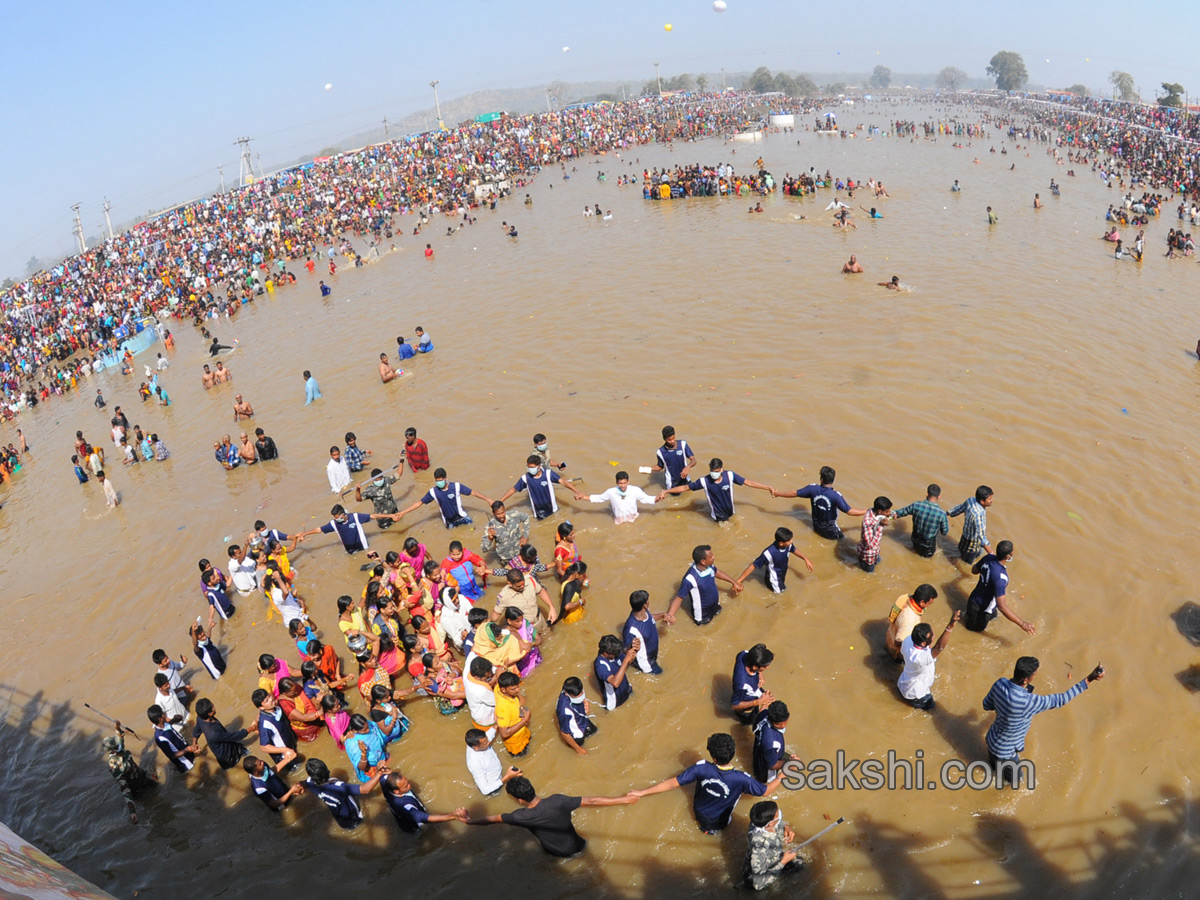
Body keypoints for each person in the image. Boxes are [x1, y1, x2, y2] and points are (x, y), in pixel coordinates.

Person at [982, 657, 1105, 785]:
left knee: (994, 767)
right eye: (1034, 674)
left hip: (991, 740)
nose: (1035, 676)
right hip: (1006, 753)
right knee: (1017, 783)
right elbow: (1061, 699)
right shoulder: (1028, 702)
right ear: (1026, 680)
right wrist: (1089, 679)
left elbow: (986, 705)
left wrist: (1004, 710)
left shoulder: (1000, 683)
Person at [630, 732, 784, 834]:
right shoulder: (741, 778)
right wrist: (781, 776)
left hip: (699, 812)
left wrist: (642, 792)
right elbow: (765, 791)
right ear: (732, 754)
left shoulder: (701, 768)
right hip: (720, 820)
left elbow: (671, 783)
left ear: (714, 758)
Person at [457, 776, 637, 857]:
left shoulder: (520, 816)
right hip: (579, 844)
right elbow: (594, 801)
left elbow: (492, 819)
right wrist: (625, 799)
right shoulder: (558, 801)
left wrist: (469, 821)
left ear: (519, 800)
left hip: (556, 853)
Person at [658, 457, 773, 523]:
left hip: (731, 511)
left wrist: (767, 487)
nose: (714, 473)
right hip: (718, 517)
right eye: (713, 471)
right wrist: (666, 491)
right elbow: (685, 487)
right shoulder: (704, 481)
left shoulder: (730, 476)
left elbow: (749, 482)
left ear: (722, 469)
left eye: (717, 471)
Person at [772, 466, 867, 539]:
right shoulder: (836, 496)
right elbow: (850, 512)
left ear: (821, 479)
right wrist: (869, 510)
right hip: (831, 531)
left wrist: (778, 493)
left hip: (816, 527)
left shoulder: (812, 488)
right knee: (843, 543)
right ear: (833, 480)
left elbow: (794, 493)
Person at [962, 540, 1035, 634]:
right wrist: (1022, 624)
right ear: (1008, 556)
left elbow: (974, 570)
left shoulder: (988, 558)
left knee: (993, 617)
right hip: (981, 610)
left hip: (975, 599)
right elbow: (1002, 606)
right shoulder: (1001, 578)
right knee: (973, 632)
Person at [666, 544, 743, 626]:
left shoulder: (709, 567)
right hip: (702, 613)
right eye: (711, 556)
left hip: (715, 604)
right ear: (703, 561)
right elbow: (679, 598)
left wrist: (734, 582)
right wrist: (670, 615)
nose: (714, 557)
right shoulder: (690, 579)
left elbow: (717, 572)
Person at [302, 757, 387, 830]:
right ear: (327, 770)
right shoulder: (340, 787)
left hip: (340, 819)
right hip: (353, 818)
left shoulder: (310, 784)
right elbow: (366, 789)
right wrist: (379, 773)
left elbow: (302, 784)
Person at [898, 613, 961, 711]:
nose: (934, 635)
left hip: (904, 683)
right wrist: (950, 626)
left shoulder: (908, 640)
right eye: (931, 635)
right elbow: (939, 647)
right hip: (917, 694)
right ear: (923, 643)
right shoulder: (919, 658)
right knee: (932, 709)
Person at [396, 467, 493, 528]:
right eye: (437, 481)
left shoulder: (456, 486)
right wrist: (403, 513)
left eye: (440, 480)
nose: (439, 483)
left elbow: (473, 492)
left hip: (463, 517)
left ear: (446, 479)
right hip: (449, 522)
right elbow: (419, 503)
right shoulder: (433, 492)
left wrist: (488, 500)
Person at [499, 455, 584, 521]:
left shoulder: (548, 474)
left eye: (532, 467)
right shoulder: (525, 479)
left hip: (553, 509)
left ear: (539, 466)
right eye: (529, 467)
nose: (530, 469)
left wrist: (577, 491)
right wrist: (500, 502)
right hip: (538, 512)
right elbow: (513, 490)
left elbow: (563, 482)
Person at [744, 801, 804, 891]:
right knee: (799, 866)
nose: (779, 813)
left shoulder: (759, 820)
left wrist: (787, 827)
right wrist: (783, 861)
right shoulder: (759, 848)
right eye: (777, 814)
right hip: (759, 875)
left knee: (800, 863)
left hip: (774, 856)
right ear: (770, 824)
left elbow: (778, 823)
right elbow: (758, 884)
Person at [103, 724, 157, 824]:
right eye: (116, 744)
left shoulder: (120, 749)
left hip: (141, 775)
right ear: (113, 750)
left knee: (157, 788)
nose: (119, 744)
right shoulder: (114, 767)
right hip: (135, 787)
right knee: (149, 804)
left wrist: (117, 728)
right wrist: (132, 812)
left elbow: (120, 738)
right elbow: (125, 790)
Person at [735, 526, 814, 593]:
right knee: (781, 597)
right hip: (774, 581)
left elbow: (794, 550)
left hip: (781, 574)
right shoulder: (768, 553)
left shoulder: (788, 545)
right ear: (781, 543)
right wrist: (738, 581)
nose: (792, 541)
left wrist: (805, 559)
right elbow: (753, 566)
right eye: (789, 540)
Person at [381, 770, 464, 833]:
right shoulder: (405, 805)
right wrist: (454, 816)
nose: (409, 786)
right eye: (406, 786)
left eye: (408, 782)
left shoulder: (385, 781)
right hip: (414, 826)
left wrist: (388, 771)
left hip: (403, 815)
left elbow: (384, 776)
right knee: (426, 832)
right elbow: (426, 818)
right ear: (396, 791)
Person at [296, 504, 392, 555]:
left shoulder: (355, 517)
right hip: (350, 551)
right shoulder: (334, 524)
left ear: (343, 515)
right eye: (335, 517)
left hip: (364, 548)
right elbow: (319, 529)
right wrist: (305, 533)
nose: (336, 519)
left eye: (337, 517)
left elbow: (373, 516)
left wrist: (390, 515)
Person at [192, 698, 256, 769]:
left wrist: (194, 744)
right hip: (228, 757)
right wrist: (252, 728)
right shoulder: (214, 733)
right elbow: (236, 736)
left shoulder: (201, 718)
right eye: (213, 707)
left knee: (247, 752)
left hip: (230, 746)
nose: (214, 707)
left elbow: (196, 731)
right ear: (209, 713)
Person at [893, 484, 950, 557]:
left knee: (914, 552)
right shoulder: (942, 514)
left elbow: (900, 513)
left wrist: (891, 514)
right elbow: (944, 532)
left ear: (927, 494)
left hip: (915, 539)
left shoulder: (916, 505)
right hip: (928, 545)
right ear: (939, 496)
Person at [886, 584, 938, 662]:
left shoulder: (906, 598)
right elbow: (898, 642)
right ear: (922, 602)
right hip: (897, 652)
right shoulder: (909, 620)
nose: (928, 606)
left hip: (890, 635)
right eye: (929, 604)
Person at [464, 727, 521, 795]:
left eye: (487, 740)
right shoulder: (475, 763)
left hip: (498, 774)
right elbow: (485, 790)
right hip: (494, 787)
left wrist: (496, 725)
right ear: (475, 748)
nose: (489, 743)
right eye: (485, 743)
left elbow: (487, 736)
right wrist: (507, 777)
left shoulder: (475, 742)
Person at [253, 689, 298, 770]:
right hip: (284, 755)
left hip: (290, 743)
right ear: (261, 707)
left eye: (269, 696)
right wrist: (284, 750)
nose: (271, 699)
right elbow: (264, 747)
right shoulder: (265, 725)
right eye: (267, 700)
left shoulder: (275, 708)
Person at [588, 471, 658, 523]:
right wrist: (583, 497)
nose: (623, 485)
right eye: (620, 483)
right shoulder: (611, 492)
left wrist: (657, 498)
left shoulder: (635, 490)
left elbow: (646, 498)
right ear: (617, 483)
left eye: (625, 483)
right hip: (619, 520)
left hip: (633, 518)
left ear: (628, 482)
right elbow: (599, 498)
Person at [949, 485, 994, 563]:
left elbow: (959, 509)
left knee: (962, 551)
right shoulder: (978, 515)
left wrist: (948, 513)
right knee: (967, 562)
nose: (992, 500)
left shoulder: (971, 500)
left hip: (965, 535)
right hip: (972, 543)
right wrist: (992, 554)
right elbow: (981, 537)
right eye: (990, 499)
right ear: (982, 501)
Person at [594, 634, 639, 710]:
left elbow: (628, 662)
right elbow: (615, 683)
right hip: (614, 700)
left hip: (627, 689)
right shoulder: (600, 665)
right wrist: (625, 660)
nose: (618, 654)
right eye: (615, 653)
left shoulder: (615, 653)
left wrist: (634, 650)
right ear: (606, 653)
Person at [148, 705, 198, 774]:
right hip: (186, 764)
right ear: (160, 718)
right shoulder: (160, 738)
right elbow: (172, 755)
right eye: (163, 713)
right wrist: (188, 749)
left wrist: (174, 719)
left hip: (188, 752)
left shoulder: (164, 724)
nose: (164, 714)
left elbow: (168, 725)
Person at [731, 644, 774, 723]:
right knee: (750, 723)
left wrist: (760, 674)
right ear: (754, 667)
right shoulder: (743, 685)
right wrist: (758, 702)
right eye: (765, 666)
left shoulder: (744, 654)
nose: (768, 667)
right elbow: (734, 705)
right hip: (746, 710)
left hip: (753, 690)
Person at [624, 590, 664, 675]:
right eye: (647, 601)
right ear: (645, 605)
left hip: (652, 656)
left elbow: (650, 618)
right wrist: (631, 646)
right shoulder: (631, 629)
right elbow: (625, 649)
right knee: (662, 675)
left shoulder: (644, 612)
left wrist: (663, 615)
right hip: (647, 664)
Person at [752, 700, 792, 783]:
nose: (782, 726)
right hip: (766, 771)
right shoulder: (770, 743)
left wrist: (766, 702)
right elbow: (772, 765)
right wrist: (790, 763)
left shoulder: (763, 715)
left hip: (759, 753)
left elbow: (761, 711)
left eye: (784, 722)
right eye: (778, 724)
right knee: (768, 783)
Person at [494, 671, 532, 757]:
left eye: (518, 687)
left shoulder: (498, 688)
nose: (518, 690)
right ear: (503, 690)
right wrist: (525, 720)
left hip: (523, 732)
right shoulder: (503, 709)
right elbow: (504, 733)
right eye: (513, 689)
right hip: (516, 743)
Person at [556, 677, 597, 755]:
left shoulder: (571, 688)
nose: (581, 696)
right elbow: (564, 733)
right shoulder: (564, 711)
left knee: (596, 732)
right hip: (577, 735)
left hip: (584, 721)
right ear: (567, 694)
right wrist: (578, 749)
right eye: (578, 696)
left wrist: (585, 702)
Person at [857, 496, 893, 572]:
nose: (889, 513)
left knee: (879, 561)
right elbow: (870, 545)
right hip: (868, 555)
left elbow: (886, 515)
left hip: (875, 551)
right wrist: (880, 525)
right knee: (869, 574)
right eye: (887, 512)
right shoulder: (867, 523)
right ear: (880, 511)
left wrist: (893, 515)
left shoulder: (873, 511)